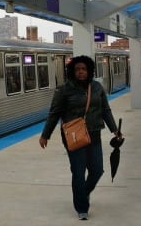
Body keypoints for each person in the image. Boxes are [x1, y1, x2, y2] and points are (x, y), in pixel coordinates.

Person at [39, 55, 122, 221]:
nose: (81, 72)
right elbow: (54, 113)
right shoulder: (64, 90)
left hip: (94, 133)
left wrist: (115, 130)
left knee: (97, 169)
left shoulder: (97, 87)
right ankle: (82, 207)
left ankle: (82, 194)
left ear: (89, 70)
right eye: (77, 69)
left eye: (84, 69)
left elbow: (105, 110)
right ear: (72, 71)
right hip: (74, 136)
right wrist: (45, 135)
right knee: (78, 171)